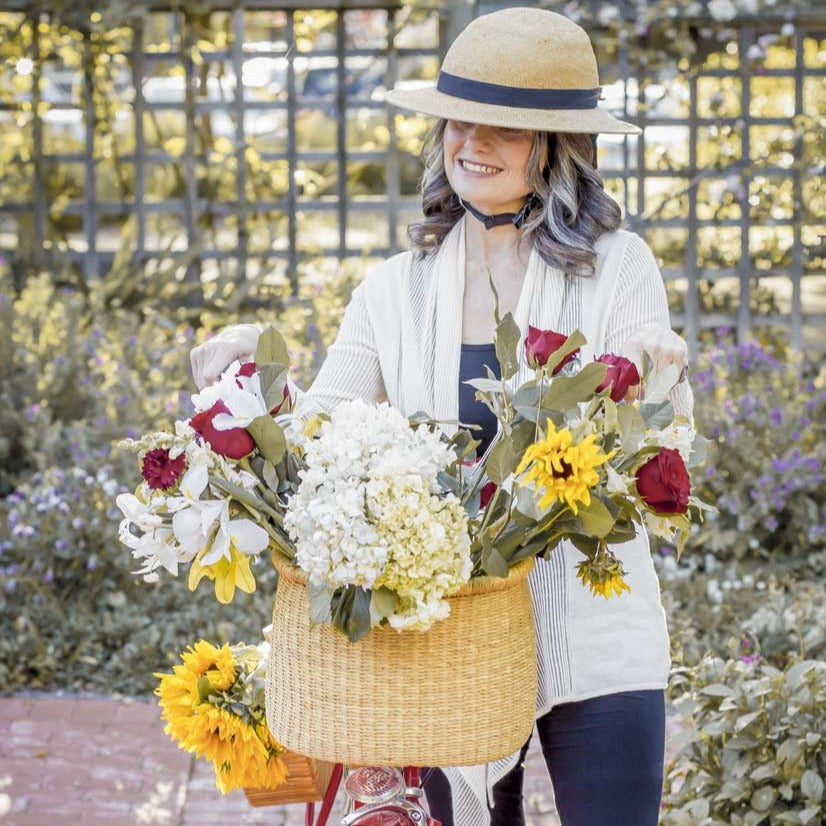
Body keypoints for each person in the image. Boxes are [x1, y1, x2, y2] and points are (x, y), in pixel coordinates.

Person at [190, 8, 693, 826]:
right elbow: (318, 434)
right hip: (446, 648)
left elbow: (661, 442)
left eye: (506, 126)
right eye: (461, 119)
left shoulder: (618, 269)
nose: (474, 142)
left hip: (597, 639)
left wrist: (659, 370)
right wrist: (258, 370)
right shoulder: (395, 288)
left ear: (557, 146)